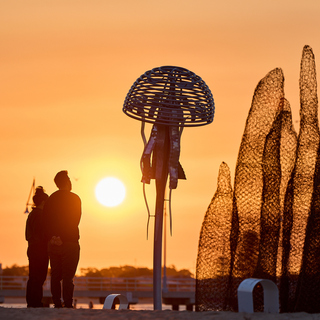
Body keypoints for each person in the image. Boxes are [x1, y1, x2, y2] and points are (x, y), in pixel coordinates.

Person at [43, 170, 82, 308]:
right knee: (67, 277)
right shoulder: (74, 198)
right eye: (69, 179)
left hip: (53, 243)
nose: (71, 181)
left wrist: (53, 237)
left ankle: (57, 303)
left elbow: (45, 221)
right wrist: (63, 237)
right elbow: (74, 220)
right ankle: (68, 302)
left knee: (55, 275)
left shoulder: (50, 199)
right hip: (69, 242)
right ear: (66, 181)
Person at [25, 186, 49, 308]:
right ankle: (36, 302)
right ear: (44, 202)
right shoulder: (40, 215)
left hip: (32, 248)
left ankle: (31, 301)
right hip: (40, 250)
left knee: (33, 277)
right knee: (39, 277)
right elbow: (42, 234)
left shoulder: (32, 215)